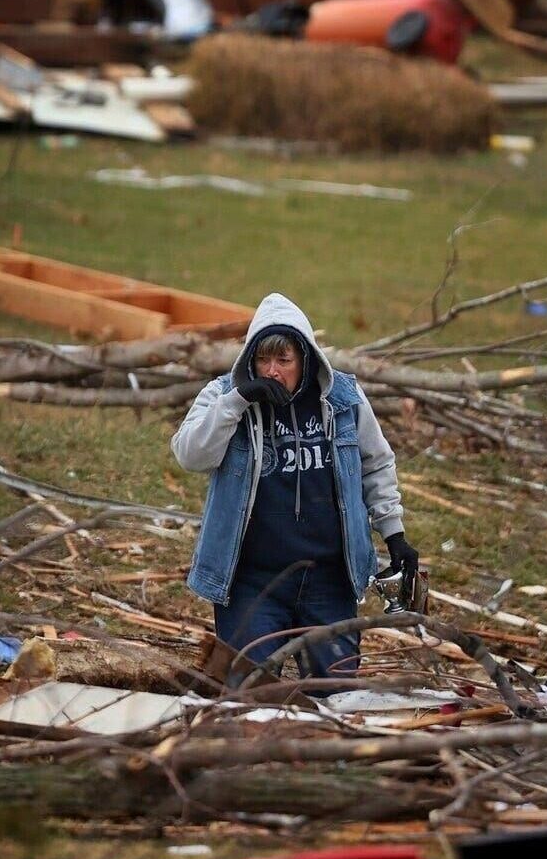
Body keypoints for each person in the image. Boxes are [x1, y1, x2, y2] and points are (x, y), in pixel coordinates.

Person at [172, 293, 418, 685]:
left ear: (305, 359)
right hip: (253, 581)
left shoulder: (344, 399)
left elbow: (377, 463)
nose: (271, 371)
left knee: (334, 690)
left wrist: (395, 534)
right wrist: (239, 400)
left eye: (283, 361)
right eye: (262, 360)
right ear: (249, 360)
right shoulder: (223, 396)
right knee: (247, 690)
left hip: (329, 579)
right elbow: (190, 455)